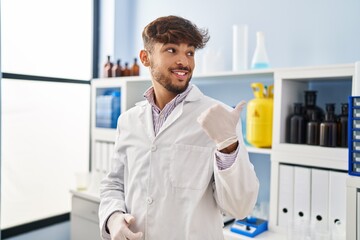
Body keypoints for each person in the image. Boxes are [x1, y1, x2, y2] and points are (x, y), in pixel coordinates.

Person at [99, 15, 259, 240]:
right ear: (145, 57)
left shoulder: (219, 117)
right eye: (172, 50)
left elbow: (240, 208)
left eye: (190, 52)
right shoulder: (128, 120)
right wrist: (113, 218)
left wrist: (228, 146)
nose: (184, 61)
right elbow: (114, 182)